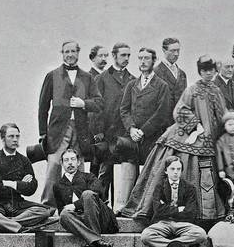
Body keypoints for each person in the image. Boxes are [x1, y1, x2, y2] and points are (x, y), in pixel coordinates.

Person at [119, 104, 227, 222]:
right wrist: (195, 126)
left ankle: (201, 212)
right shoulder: (190, 96)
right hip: (180, 131)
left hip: (204, 135)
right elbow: (180, 109)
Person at [37, 40, 104, 207]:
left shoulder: (87, 77)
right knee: (53, 165)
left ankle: (80, 206)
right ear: (62, 53)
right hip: (58, 130)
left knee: (79, 167)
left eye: (73, 51)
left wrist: (84, 104)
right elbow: (43, 107)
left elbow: (99, 103)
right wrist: (42, 134)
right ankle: (48, 207)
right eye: (67, 51)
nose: (70, 55)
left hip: (81, 130)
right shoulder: (52, 75)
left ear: (78, 53)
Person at [0, 123, 58, 233]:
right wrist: (21, 184)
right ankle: (18, 227)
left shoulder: (24, 160)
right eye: (11, 136)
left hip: (17, 204)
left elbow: (31, 188)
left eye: (17, 136)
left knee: (43, 211)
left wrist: (11, 184)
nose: (15, 139)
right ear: (2, 138)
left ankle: (3, 224)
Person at [140, 157, 208, 247]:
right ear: (166, 171)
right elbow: (158, 210)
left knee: (201, 234)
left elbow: (190, 212)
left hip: (183, 223)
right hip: (163, 223)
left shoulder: (189, 188)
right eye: (172, 169)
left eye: (178, 169)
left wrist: (167, 209)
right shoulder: (159, 187)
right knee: (146, 236)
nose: (176, 172)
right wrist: (178, 210)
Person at [54, 148, 117, 247]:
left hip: (100, 217)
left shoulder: (89, 177)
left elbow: (98, 193)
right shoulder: (57, 186)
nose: (70, 163)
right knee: (64, 215)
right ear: (61, 163)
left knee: (87, 194)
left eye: (73, 159)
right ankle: (96, 242)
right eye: (66, 160)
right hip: (82, 221)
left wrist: (75, 205)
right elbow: (62, 209)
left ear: (78, 162)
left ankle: (93, 238)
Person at [119, 47, 173, 165]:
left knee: (147, 175)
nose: (142, 62)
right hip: (131, 138)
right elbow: (124, 110)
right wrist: (131, 129)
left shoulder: (162, 86)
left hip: (152, 139)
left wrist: (143, 131)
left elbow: (162, 113)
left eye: (146, 58)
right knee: (128, 176)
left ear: (154, 60)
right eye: (140, 58)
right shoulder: (131, 85)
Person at [95, 42, 135, 192]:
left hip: (125, 133)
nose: (126, 58)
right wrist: (98, 131)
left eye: (128, 55)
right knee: (105, 172)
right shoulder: (102, 78)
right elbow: (96, 107)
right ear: (114, 56)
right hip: (107, 133)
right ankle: (101, 205)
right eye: (123, 55)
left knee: (126, 172)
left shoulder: (133, 79)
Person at [174, 56, 228, 141]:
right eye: (205, 70)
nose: (208, 73)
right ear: (200, 72)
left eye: (211, 70)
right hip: (198, 132)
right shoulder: (192, 90)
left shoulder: (217, 91)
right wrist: (196, 126)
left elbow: (223, 111)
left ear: (215, 71)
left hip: (217, 135)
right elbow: (180, 111)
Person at [155, 36, 188, 103]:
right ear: (164, 50)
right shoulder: (155, 72)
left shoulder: (182, 74)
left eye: (178, 50)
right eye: (172, 51)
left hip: (179, 113)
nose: (176, 54)